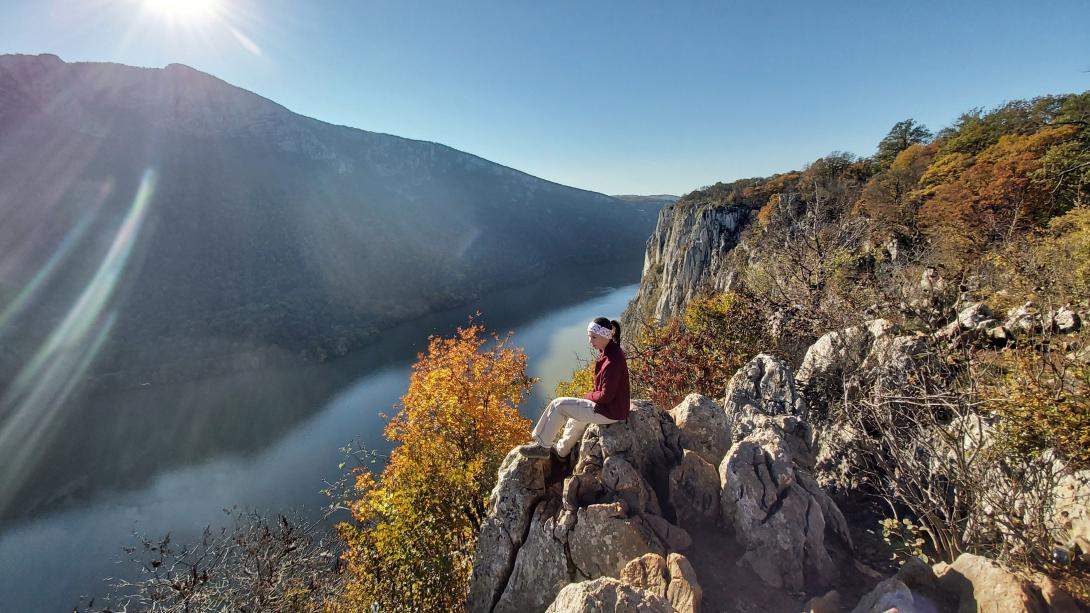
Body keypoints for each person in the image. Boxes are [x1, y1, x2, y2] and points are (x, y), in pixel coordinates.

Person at [524, 317, 630, 459]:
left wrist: (588, 396)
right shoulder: (611, 352)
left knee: (558, 405)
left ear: (605, 336)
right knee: (575, 418)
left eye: (594, 337)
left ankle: (542, 446)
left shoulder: (612, 360)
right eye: (589, 337)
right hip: (613, 409)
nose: (590, 341)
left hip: (609, 411)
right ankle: (562, 453)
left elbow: (606, 396)